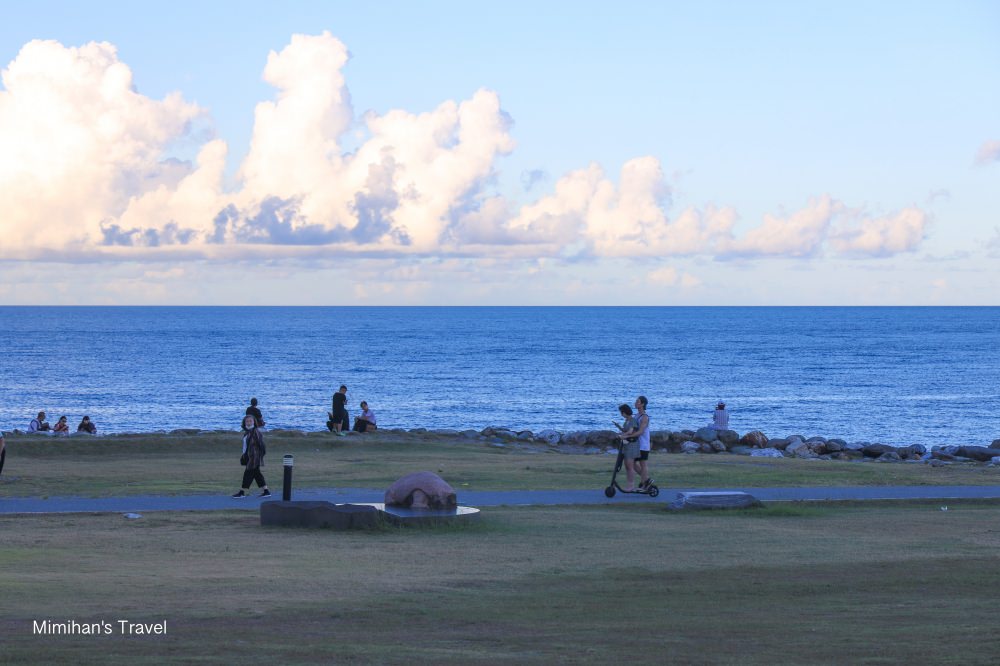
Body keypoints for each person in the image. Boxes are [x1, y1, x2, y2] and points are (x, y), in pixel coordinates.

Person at [232, 415, 270, 498]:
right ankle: (266, 491)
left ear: (254, 422)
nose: (248, 423)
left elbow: (262, 446)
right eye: (247, 421)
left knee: (247, 474)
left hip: (254, 458)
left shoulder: (256, 432)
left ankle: (242, 492)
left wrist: (258, 456)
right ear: (244, 423)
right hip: (249, 457)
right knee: (257, 474)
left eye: (250, 421)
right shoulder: (247, 432)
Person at [621, 396, 652, 490]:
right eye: (636, 401)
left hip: (643, 444)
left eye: (637, 401)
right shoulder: (636, 416)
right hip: (637, 444)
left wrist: (628, 436)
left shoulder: (644, 417)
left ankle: (644, 483)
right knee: (633, 463)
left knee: (643, 464)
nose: (635, 403)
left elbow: (640, 432)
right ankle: (646, 480)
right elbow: (633, 428)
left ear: (642, 404)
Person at [613, 403, 640, 491]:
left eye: (621, 412)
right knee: (627, 466)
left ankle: (631, 485)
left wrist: (623, 435)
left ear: (625, 412)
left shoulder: (632, 420)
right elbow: (626, 431)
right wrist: (619, 428)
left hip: (632, 445)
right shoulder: (626, 421)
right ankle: (630, 485)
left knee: (630, 466)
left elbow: (630, 431)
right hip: (626, 445)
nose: (621, 414)